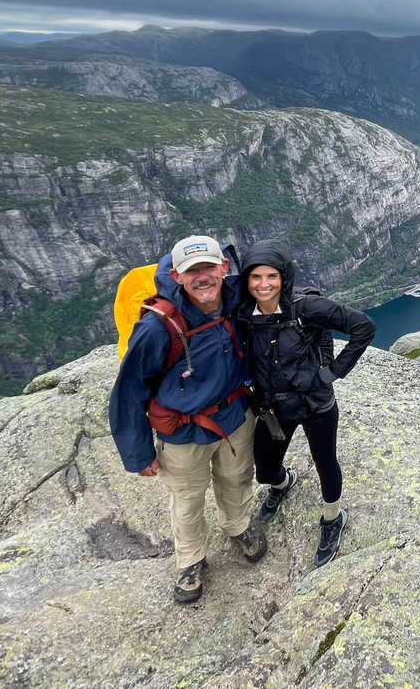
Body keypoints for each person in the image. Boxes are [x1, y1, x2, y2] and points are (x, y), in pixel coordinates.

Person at [109, 235, 266, 604]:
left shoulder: (236, 300)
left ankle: (238, 527)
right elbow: (130, 391)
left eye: (208, 268)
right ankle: (191, 560)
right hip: (183, 432)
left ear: (224, 268)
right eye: (191, 271)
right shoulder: (156, 327)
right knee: (188, 499)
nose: (202, 278)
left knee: (237, 480)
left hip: (232, 419)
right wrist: (139, 453)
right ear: (177, 276)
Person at [237, 240, 375, 568]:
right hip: (274, 407)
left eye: (272, 276)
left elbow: (363, 326)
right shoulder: (243, 315)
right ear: (246, 280)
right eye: (255, 277)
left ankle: (332, 518)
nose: (263, 284)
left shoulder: (305, 309)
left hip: (316, 404)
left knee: (325, 461)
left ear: (284, 277)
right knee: (265, 469)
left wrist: (333, 372)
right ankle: (285, 482)